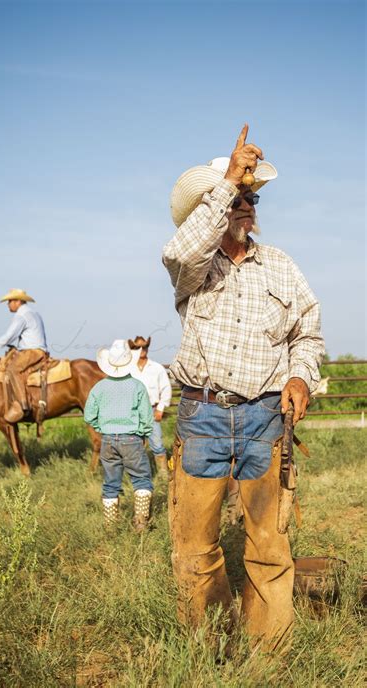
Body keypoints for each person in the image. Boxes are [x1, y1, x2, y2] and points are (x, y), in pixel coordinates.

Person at [162, 124, 325, 651]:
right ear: (214, 205)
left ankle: (268, 654)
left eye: (250, 198)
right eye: (237, 198)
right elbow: (177, 254)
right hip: (203, 416)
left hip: (263, 419)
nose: (245, 205)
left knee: (269, 543)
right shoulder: (195, 267)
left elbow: (308, 331)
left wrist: (300, 373)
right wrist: (227, 182)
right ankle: (211, 648)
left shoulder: (281, 264)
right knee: (195, 547)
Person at [84, 339, 154, 532]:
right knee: (141, 479)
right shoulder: (137, 386)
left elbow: (89, 415)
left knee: (111, 483)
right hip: (132, 438)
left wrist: (102, 427)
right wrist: (144, 434)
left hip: (108, 439)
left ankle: (110, 527)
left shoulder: (99, 387)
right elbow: (147, 417)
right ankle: (140, 522)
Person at [0, 288, 48, 423]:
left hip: (31, 352)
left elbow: (8, 338)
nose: (8, 304)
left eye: (10, 301)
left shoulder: (21, 316)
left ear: (18, 301)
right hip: (37, 350)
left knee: (12, 370)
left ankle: (22, 405)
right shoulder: (34, 313)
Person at [128, 335, 172, 476]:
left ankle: (163, 474)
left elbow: (166, 388)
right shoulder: (128, 369)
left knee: (157, 444)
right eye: (137, 347)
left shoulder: (157, 368)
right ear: (132, 349)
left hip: (151, 409)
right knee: (135, 444)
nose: (142, 350)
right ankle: (140, 474)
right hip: (133, 411)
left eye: (144, 346)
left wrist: (160, 408)